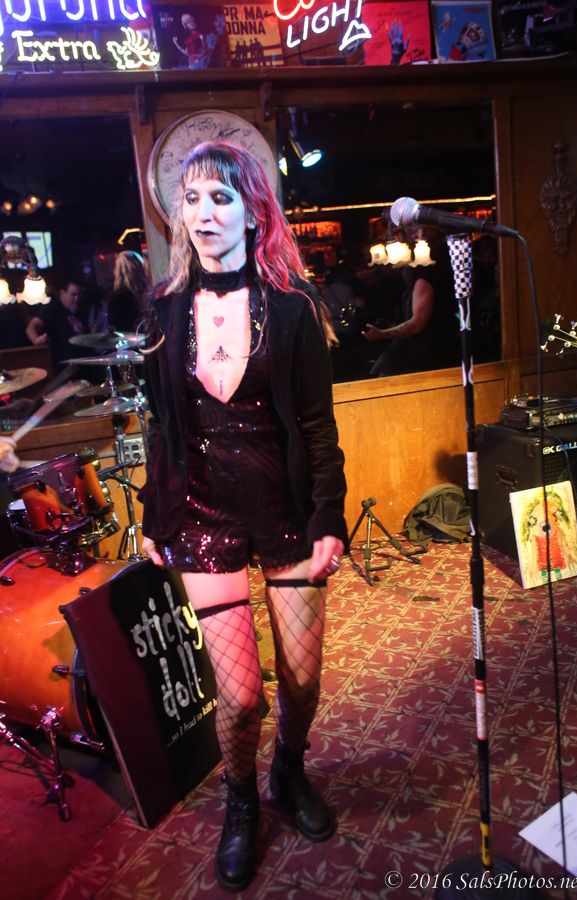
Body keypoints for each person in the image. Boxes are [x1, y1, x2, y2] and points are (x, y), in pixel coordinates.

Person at [139, 140, 347, 892]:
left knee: (302, 680)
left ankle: (287, 772)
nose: (204, 214)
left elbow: (318, 427)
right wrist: (156, 515)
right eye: (192, 198)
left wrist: (329, 517)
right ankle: (240, 800)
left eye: (221, 198)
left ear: (254, 212)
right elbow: (162, 427)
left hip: (285, 511)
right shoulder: (163, 308)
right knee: (240, 696)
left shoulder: (294, 308)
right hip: (202, 513)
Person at [363, 225, 460, 376]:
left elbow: (417, 324)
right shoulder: (426, 278)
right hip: (433, 350)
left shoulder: (425, 279)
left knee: (381, 375)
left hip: (424, 354)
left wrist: (381, 334)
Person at [25, 273, 87, 373]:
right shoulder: (52, 309)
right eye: (73, 294)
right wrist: (36, 340)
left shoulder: (79, 310)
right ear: (62, 293)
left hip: (81, 366)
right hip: (63, 370)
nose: (77, 298)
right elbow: (31, 327)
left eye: (79, 295)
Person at [106, 250, 148, 333]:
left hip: (126, 340)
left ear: (117, 271)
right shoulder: (149, 294)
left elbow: (112, 328)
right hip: (149, 338)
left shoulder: (115, 297)